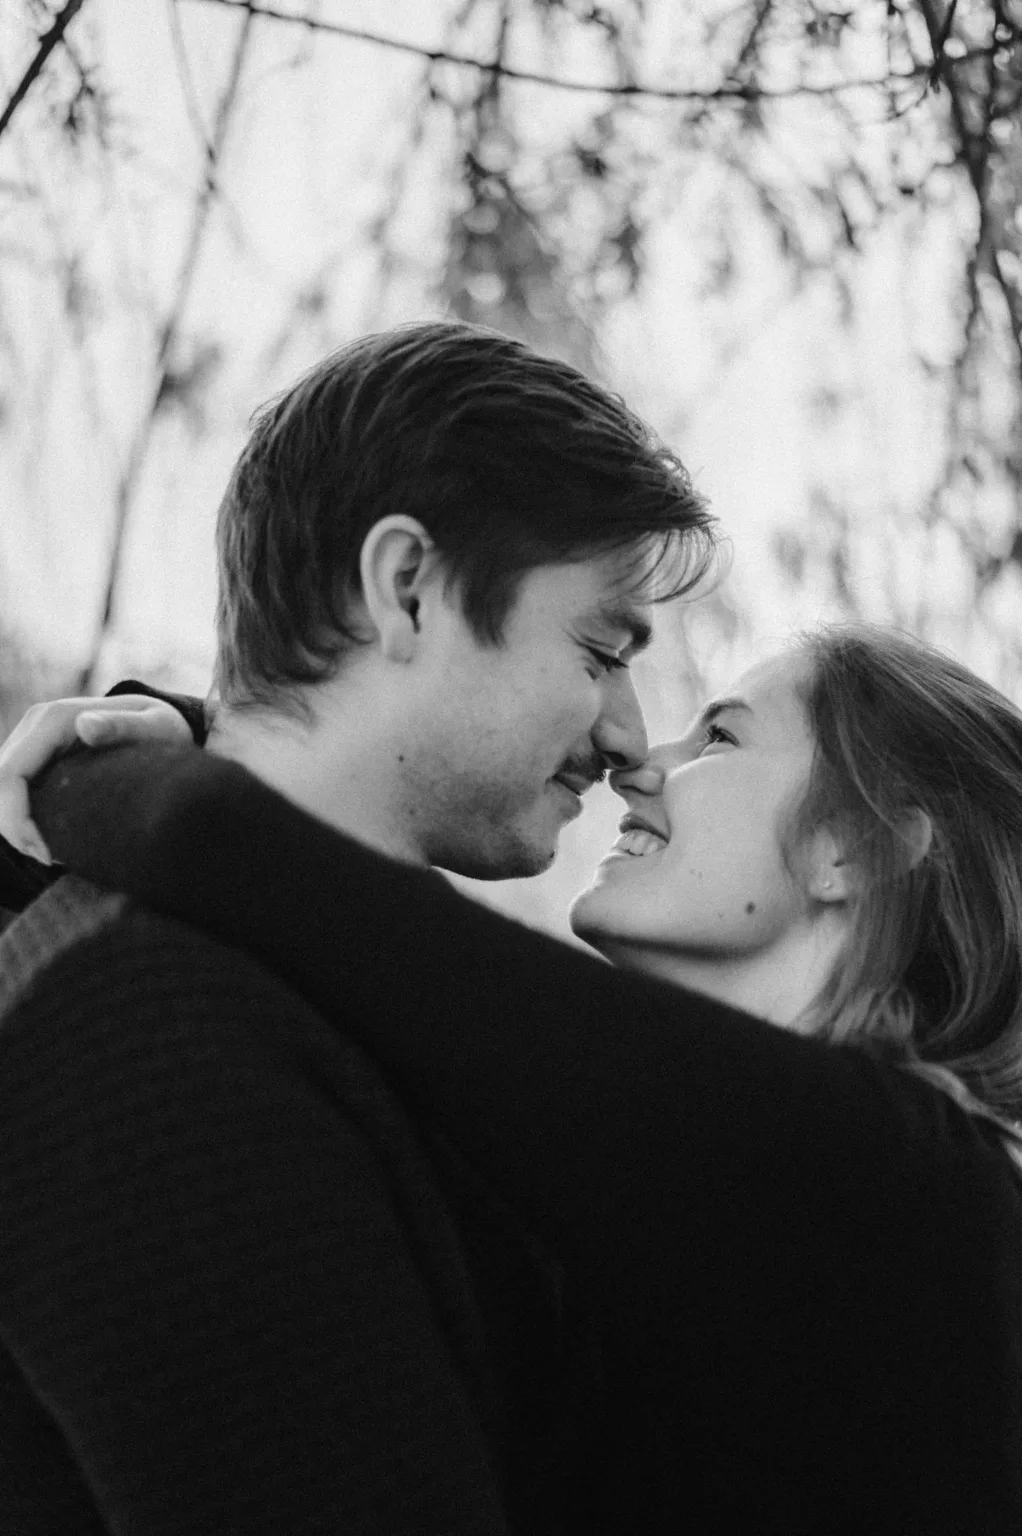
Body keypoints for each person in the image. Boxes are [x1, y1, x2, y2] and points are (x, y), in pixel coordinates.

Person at [4, 621, 1022, 1535]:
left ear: (859, 847)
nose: (639, 765)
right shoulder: (646, 1205)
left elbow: (255, 870)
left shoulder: (920, 1194)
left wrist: (145, 755)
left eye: (719, 737)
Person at [0, 318, 718, 1536]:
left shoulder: (323, 989)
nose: (628, 736)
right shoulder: (135, 1034)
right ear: (405, 590)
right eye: (600, 651)